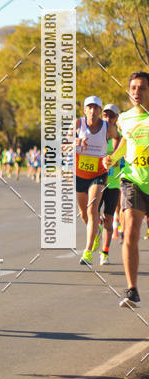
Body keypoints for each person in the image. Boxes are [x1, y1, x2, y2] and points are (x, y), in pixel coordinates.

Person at [103, 72, 149, 308]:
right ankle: (132, 291)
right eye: (133, 88)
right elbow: (124, 144)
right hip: (133, 181)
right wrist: (112, 158)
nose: (136, 93)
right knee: (129, 232)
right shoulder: (126, 119)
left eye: (141, 88)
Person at [75, 95, 119, 266]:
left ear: (100, 111)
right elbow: (63, 143)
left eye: (96, 108)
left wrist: (114, 156)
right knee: (84, 214)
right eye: (89, 107)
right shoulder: (78, 124)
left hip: (100, 175)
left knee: (92, 208)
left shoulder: (107, 127)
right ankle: (97, 230)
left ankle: (88, 253)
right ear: (85, 109)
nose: (93, 111)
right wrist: (75, 142)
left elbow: (120, 138)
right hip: (81, 174)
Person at [98, 104, 123, 266]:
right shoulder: (96, 135)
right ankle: (97, 224)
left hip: (113, 184)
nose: (108, 119)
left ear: (117, 118)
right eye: (105, 115)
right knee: (90, 214)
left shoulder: (122, 137)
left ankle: (104, 253)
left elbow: (126, 161)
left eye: (111, 116)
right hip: (97, 181)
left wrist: (114, 161)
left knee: (109, 218)